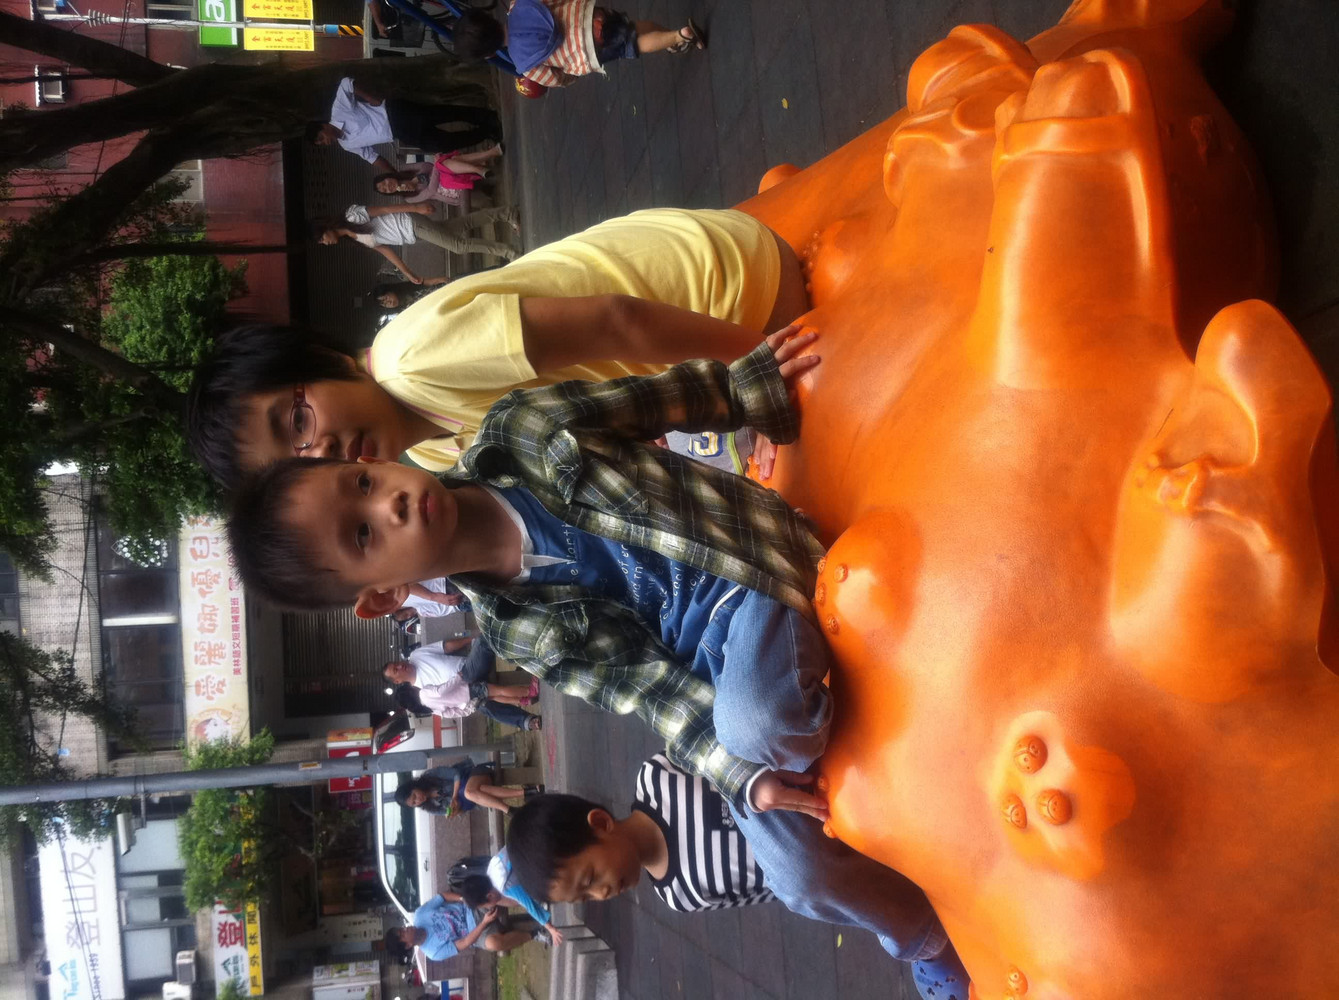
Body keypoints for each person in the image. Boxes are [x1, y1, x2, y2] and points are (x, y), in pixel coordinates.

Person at [224, 331, 949, 968]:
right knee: (794, 876)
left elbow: (654, 400)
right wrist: (744, 780)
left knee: (757, 723)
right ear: (383, 596)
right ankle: (924, 939)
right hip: (717, 668)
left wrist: (745, 387)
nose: (390, 503)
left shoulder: (524, 431)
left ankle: (820, 725)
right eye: (363, 536)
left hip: (755, 570)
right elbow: (652, 690)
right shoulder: (516, 632)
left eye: (362, 482)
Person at [187, 207, 808, 483]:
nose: (319, 451)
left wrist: (752, 369)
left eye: (297, 419)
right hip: (687, 347)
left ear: (322, 360)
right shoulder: (427, 454)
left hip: (723, 286)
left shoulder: (415, 361)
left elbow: (615, 321)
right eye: (297, 464)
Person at [505, 759, 969, 1000]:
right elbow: (763, 891)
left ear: (601, 823)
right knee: (806, 884)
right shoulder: (679, 895)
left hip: (817, 799)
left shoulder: (658, 777)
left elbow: (724, 754)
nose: (603, 892)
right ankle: (917, 931)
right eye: (588, 896)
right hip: (827, 872)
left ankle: (921, 939)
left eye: (590, 877)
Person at [452, 4, 705, 90]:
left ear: (489, 53)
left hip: (589, 48)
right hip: (590, 16)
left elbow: (554, 79)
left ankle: (679, 36)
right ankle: (672, 37)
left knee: (634, 43)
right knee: (632, 27)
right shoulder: (519, 5)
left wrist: (569, 77)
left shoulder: (523, 64)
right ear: (488, 16)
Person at [309, 77, 502, 175]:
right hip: (398, 132)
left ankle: (487, 117)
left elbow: (346, 83)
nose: (325, 142)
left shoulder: (338, 110)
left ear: (324, 126)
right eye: (322, 144)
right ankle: (485, 132)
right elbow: (372, 157)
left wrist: (370, 98)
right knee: (440, 144)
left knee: (444, 114)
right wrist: (395, 174)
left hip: (396, 113)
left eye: (321, 138)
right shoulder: (347, 145)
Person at [313, 203, 518, 285]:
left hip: (410, 223)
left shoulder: (352, 216)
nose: (325, 243)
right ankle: (506, 213)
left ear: (325, 228)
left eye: (321, 239)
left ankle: (508, 252)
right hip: (412, 235)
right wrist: (408, 273)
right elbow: (384, 250)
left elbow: (384, 209)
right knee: (460, 225)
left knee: (458, 245)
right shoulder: (354, 240)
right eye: (321, 243)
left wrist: (416, 207)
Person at [383, 885, 538, 962]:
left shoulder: (420, 915)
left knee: (491, 898)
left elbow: (442, 897)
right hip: (475, 933)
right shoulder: (433, 952)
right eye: (402, 933)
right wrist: (484, 923)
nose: (405, 929)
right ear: (408, 945)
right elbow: (465, 942)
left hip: (471, 907)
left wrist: (464, 899)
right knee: (494, 944)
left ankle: (534, 899)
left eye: (402, 928)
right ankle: (534, 934)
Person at [393, 677, 543, 732]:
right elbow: (441, 690)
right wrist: (458, 677)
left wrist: (469, 708)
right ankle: (529, 691)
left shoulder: (430, 709)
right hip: (468, 690)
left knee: (496, 697)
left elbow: (451, 713)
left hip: (470, 703)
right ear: (410, 691)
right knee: (500, 690)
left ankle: (524, 700)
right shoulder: (423, 693)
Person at [486, 847, 563, 944]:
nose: (490, 906)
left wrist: (550, 928)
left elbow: (530, 906)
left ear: (489, 896)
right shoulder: (492, 867)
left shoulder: (506, 886)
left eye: (488, 904)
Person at [395, 760, 527, 815]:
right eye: (414, 803)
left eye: (414, 796)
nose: (418, 800)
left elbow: (455, 774)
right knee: (476, 792)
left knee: (469, 792)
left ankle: (509, 809)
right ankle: (525, 792)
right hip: (475, 797)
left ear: (413, 787)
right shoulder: (432, 808)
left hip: (474, 774)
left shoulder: (430, 776)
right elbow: (459, 810)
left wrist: (454, 796)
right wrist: (455, 809)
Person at [374, 148, 507, 199]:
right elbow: (431, 190)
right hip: (447, 189)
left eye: (384, 182)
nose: (388, 186)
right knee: (444, 164)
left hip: (444, 171)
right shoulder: (408, 198)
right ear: (389, 193)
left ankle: (481, 167)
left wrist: (416, 178)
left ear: (387, 176)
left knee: (447, 163)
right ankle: (487, 157)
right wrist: (415, 184)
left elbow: (426, 166)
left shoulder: (404, 169)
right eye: (385, 190)